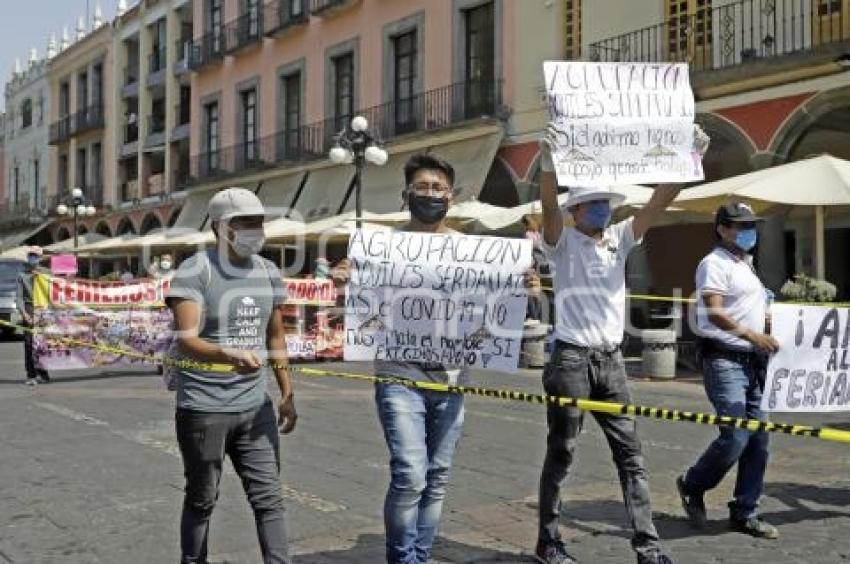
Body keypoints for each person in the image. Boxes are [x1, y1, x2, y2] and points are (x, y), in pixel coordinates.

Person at [533, 124, 709, 564]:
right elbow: (548, 205)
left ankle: (647, 545)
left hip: (611, 362)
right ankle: (549, 541)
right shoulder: (561, 242)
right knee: (562, 453)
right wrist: (550, 162)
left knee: (631, 456)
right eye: (592, 204)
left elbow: (659, 200)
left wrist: (690, 156)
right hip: (571, 358)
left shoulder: (620, 237)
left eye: (604, 204)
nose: (601, 209)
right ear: (577, 211)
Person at [333, 154, 475, 563]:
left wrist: (524, 286)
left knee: (437, 478)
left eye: (438, 188)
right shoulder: (381, 248)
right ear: (406, 195)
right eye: (422, 187)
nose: (430, 194)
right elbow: (363, 305)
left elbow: (494, 303)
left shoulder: (471, 250)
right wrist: (345, 278)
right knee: (410, 475)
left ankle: (421, 555)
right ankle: (403, 559)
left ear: (452, 196)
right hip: (400, 375)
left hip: (451, 379)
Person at [166, 187, 297, 564]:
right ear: (219, 227)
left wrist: (287, 392)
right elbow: (187, 340)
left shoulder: (268, 271)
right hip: (204, 409)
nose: (254, 229)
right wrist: (226, 352)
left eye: (258, 222)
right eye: (244, 223)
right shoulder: (195, 270)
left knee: (269, 498)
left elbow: (275, 335)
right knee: (202, 498)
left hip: (256, 408)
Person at [676, 202, 779, 539]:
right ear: (722, 229)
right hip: (724, 359)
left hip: (752, 361)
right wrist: (751, 334)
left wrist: (767, 323)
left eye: (751, 225)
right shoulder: (713, 263)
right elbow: (715, 311)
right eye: (739, 225)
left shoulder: (745, 265)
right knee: (735, 435)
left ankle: (745, 511)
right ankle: (693, 484)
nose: (748, 231)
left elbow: (746, 309)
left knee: (758, 439)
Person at [17, 247, 49, 385]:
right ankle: (31, 374)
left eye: (35, 256)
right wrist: (24, 313)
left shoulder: (47, 274)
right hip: (30, 308)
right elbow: (19, 297)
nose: (33, 258)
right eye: (30, 255)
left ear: (40, 258)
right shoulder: (22, 275)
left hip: (43, 309)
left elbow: (56, 290)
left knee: (41, 344)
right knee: (29, 343)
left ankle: (43, 374)